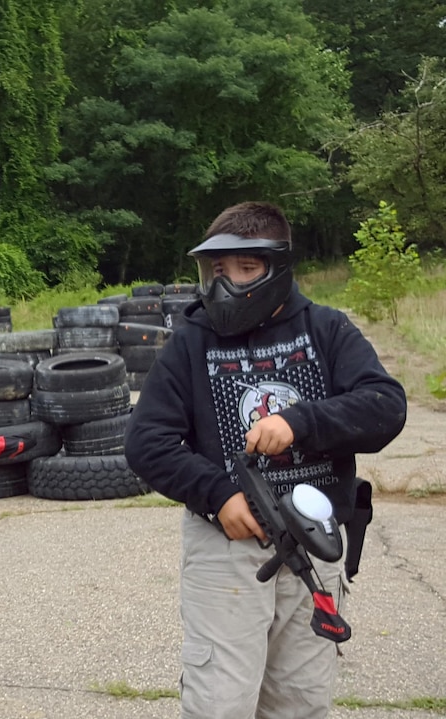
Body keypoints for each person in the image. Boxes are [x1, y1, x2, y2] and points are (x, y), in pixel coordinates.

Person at [124, 201, 407, 718]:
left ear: (277, 268)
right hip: (227, 549)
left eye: (245, 269)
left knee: (300, 703)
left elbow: (385, 407)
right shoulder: (190, 343)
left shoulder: (325, 330)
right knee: (220, 704)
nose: (227, 283)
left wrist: (300, 421)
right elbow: (146, 442)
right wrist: (217, 495)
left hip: (315, 545)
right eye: (218, 270)